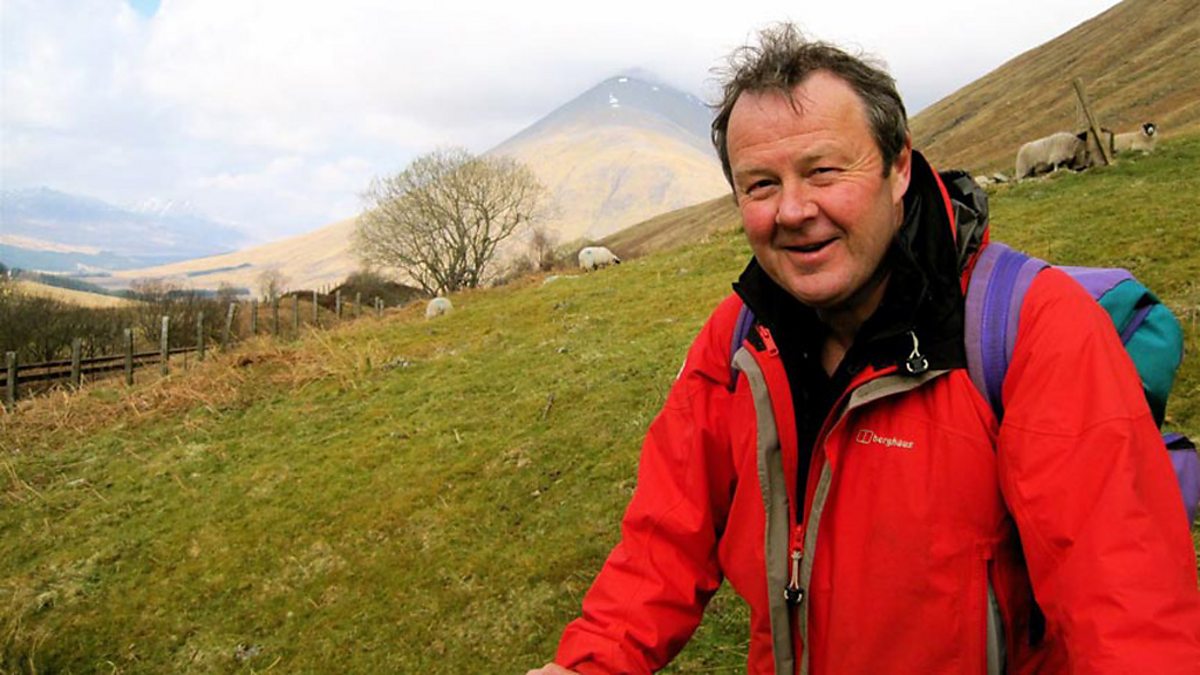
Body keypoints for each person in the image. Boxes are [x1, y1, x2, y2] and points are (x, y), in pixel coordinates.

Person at [530, 24, 1200, 675]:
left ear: (898, 167)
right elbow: (664, 539)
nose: (793, 210)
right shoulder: (738, 338)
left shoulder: (1033, 329)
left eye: (823, 171)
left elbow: (1127, 612)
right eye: (761, 184)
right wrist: (587, 664)